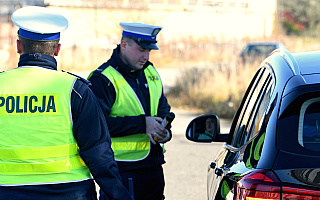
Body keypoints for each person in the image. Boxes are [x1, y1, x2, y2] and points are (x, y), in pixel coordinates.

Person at [0, 6, 132, 200]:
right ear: (58, 49)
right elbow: (98, 154)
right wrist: (119, 196)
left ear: (19, 46)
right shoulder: (75, 91)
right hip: (70, 192)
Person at [88, 22, 172, 200]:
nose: (146, 56)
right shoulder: (103, 78)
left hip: (154, 168)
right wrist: (143, 124)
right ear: (124, 45)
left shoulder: (150, 71)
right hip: (121, 171)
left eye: (149, 51)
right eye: (141, 50)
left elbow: (163, 108)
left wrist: (165, 131)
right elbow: (96, 127)